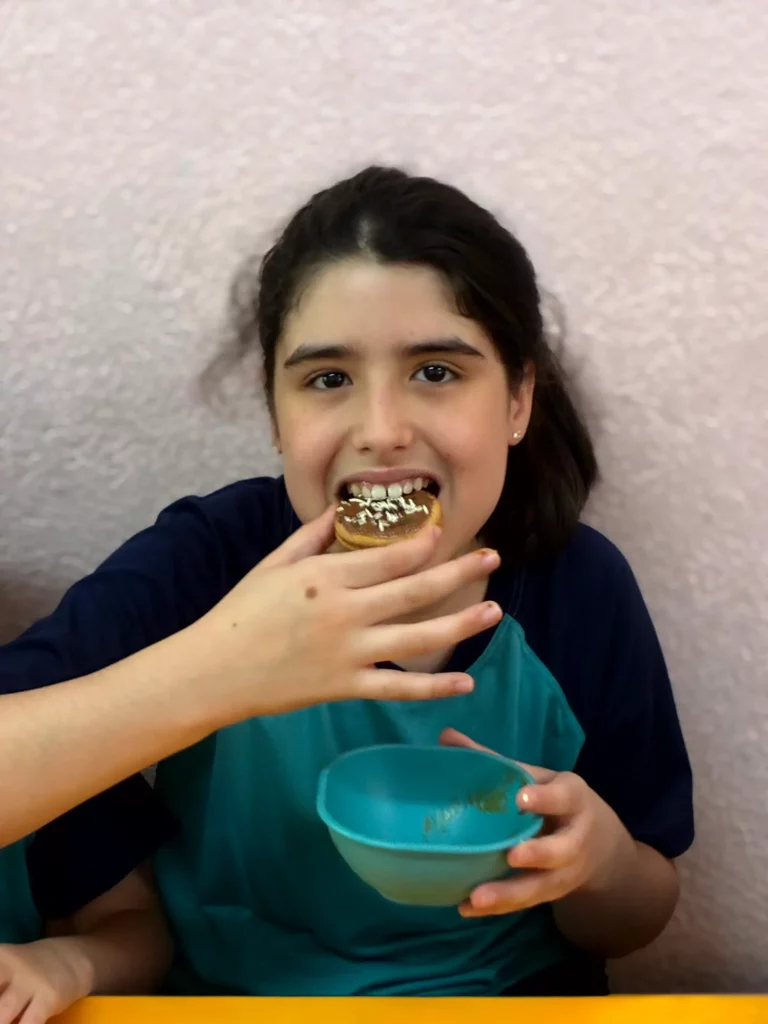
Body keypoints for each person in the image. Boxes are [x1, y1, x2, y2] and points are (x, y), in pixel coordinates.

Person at [0, 165, 693, 999]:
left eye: (436, 372)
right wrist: (219, 670)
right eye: (328, 379)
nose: (381, 430)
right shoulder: (211, 560)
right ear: (276, 414)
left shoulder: (581, 589)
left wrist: (598, 859)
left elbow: (634, 920)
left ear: (517, 401)